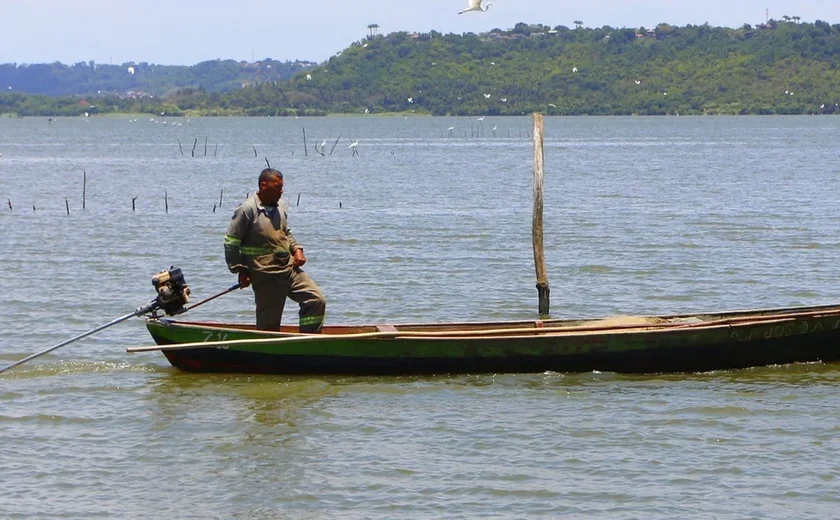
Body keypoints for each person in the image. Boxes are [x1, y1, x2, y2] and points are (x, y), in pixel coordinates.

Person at [224, 168, 326, 332]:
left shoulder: (281, 206)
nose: (281, 191)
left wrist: (297, 249)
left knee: (316, 300)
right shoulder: (247, 210)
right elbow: (231, 243)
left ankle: (309, 339)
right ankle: (269, 347)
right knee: (269, 327)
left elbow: (286, 232)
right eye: (277, 187)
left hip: (289, 269)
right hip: (266, 275)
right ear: (264, 185)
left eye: (282, 187)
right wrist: (240, 270)